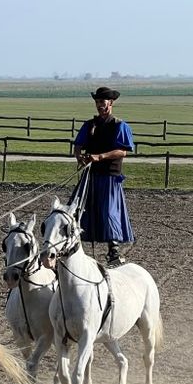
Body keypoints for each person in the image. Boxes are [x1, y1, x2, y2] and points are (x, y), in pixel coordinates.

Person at [73, 86, 135, 266]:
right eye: (97, 102)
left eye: (102, 102)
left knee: (109, 212)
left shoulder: (119, 126)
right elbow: (78, 145)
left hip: (109, 177)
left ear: (111, 103)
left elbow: (123, 151)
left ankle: (113, 251)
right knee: (76, 208)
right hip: (90, 175)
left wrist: (100, 156)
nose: (100, 105)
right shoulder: (89, 125)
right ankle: (71, 246)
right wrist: (80, 157)